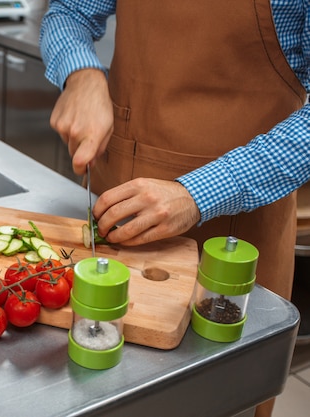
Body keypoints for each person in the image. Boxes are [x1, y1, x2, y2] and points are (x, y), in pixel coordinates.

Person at [40, 1, 310, 416]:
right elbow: (70, 12)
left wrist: (198, 194)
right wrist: (81, 72)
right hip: (119, 198)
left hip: (242, 227)